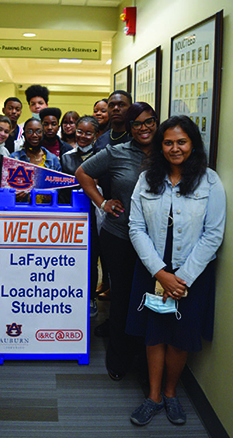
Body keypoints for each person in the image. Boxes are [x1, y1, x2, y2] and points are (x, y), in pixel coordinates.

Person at [127, 115, 226, 426]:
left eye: (181, 141)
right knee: (154, 334)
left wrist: (180, 279)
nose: (174, 148)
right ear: (160, 146)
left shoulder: (210, 181)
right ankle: (153, 397)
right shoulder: (147, 179)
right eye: (168, 142)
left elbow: (214, 233)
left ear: (193, 144)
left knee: (180, 336)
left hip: (190, 274)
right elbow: (135, 227)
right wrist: (160, 273)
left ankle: (171, 394)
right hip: (153, 269)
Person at [75, 102, 159, 380]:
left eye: (149, 121)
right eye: (137, 124)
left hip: (156, 240)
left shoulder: (166, 152)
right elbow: (82, 174)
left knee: (149, 299)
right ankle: (119, 360)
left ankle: (146, 360)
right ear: (129, 127)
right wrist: (102, 202)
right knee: (122, 299)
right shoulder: (116, 151)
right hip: (119, 237)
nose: (144, 128)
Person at [93, 91, 133, 309]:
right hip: (108, 213)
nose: (116, 108)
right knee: (110, 267)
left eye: (122, 105)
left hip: (133, 214)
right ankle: (113, 322)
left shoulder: (136, 138)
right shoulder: (101, 141)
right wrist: (102, 202)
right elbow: (88, 173)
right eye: (112, 105)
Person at [61, 115, 100, 317]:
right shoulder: (67, 156)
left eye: (88, 133)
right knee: (72, 257)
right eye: (79, 131)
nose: (83, 136)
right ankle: (71, 295)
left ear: (95, 135)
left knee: (92, 258)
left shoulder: (102, 155)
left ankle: (90, 297)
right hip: (73, 214)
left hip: (97, 213)